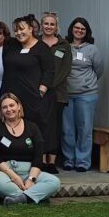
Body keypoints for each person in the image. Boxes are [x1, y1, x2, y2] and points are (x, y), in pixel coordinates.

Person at [0, 93, 61, 205]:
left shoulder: (32, 127)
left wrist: (31, 179)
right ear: (1, 111)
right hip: (5, 171)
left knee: (54, 182)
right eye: (4, 107)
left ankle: (20, 198)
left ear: (19, 106)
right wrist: (14, 177)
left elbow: (38, 157)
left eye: (12, 105)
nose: (9, 109)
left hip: (29, 171)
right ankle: (34, 196)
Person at [0, 15, 55, 156]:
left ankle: (36, 160)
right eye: (16, 30)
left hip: (32, 99)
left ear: (31, 29)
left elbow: (49, 71)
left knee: (33, 129)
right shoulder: (11, 46)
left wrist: (41, 92)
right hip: (11, 97)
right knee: (11, 126)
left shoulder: (42, 48)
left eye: (22, 29)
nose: (18, 33)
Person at [62, 17, 103, 172]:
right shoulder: (64, 47)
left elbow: (99, 69)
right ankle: (68, 160)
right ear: (72, 29)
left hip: (87, 94)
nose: (79, 31)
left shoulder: (92, 49)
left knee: (85, 129)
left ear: (86, 32)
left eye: (82, 29)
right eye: (76, 28)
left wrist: (86, 83)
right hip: (66, 94)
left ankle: (82, 162)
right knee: (67, 129)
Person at [40, 12, 73, 173]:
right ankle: (41, 160)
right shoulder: (36, 43)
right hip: (38, 94)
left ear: (56, 26)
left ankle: (52, 162)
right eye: (46, 23)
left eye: (52, 24)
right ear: (41, 25)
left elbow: (65, 69)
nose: (48, 26)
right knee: (40, 126)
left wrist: (48, 85)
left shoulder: (64, 45)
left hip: (57, 93)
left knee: (54, 127)